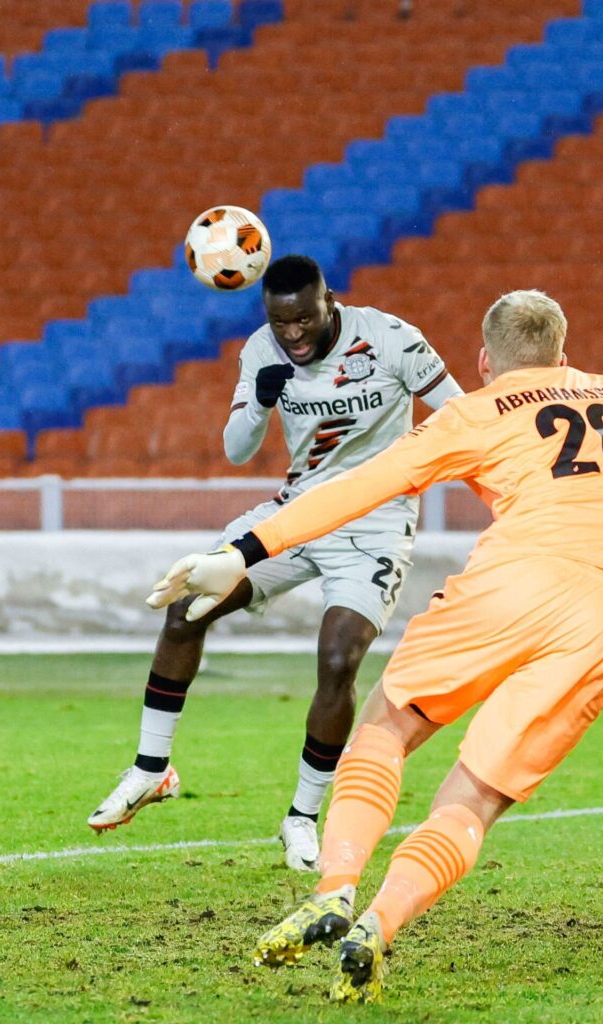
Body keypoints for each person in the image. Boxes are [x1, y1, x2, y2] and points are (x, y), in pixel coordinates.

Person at [146, 288, 603, 1002]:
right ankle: (382, 922)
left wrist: (244, 551)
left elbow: (362, 485)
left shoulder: (475, 411)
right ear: (563, 351)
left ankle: (337, 888)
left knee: (387, 725)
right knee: (477, 797)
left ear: (487, 360)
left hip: (514, 580)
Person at [88, 254, 462, 872]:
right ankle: (152, 769)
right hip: (294, 518)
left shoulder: (392, 339)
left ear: (329, 302)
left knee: (338, 661)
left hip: (373, 526)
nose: (293, 334)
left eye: (304, 320)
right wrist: (260, 404)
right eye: (280, 322)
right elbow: (237, 452)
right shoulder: (262, 351)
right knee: (186, 609)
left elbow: (460, 414)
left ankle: (301, 819)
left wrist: (415, 469)